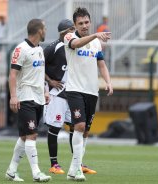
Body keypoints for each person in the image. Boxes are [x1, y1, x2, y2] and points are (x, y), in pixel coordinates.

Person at [63, 7, 113, 181]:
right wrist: (96, 35)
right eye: (80, 23)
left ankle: (73, 168)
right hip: (75, 90)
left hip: (92, 91)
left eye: (86, 22)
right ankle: (77, 169)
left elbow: (101, 64)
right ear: (75, 25)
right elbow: (76, 44)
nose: (84, 25)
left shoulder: (96, 43)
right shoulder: (69, 37)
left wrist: (108, 81)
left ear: (90, 22)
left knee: (85, 132)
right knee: (79, 126)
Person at [44, 19, 97, 175]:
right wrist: (49, 81)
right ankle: (54, 164)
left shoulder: (76, 45)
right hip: (58, 94)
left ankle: (78, 164)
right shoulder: (53, 48)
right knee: (55, 126)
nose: (74, 31)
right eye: (71, 29)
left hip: (73, 92)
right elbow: (39, 64)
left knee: (76, 126)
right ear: (64, 32)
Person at [5, 19, 51, 182]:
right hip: (25, 97)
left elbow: (40, 73)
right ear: (39, 31)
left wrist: (45, 91)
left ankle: (11, 171)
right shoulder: (20, 49)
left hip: (38, 97)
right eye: (44, 28)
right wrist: (14, 96)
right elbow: (12, 75)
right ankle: (36, 173)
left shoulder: (39, 49)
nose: (46, 30)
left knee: (25, 136)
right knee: (32, 135)